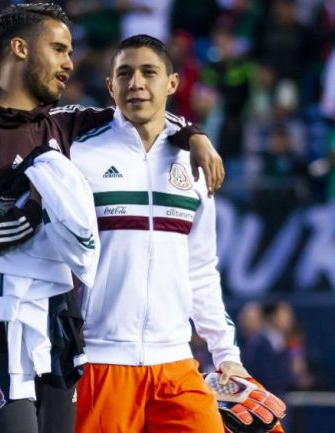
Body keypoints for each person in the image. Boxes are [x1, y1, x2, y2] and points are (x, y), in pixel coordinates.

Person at [0, 4, 223, 433]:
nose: (70, 62)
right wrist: (29, 216)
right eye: (59, 49)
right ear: (20, 49)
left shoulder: (62, 123)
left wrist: (194, 136)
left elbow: (141, 112)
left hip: (59, 333)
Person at [70, 34, 247, 433]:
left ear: (172, 83)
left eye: (149, 72)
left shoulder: (196, 164)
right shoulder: (80, 156)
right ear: (110, 86)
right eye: (125, 74)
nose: (136, 83)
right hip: (101, 361)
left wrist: (225, 354)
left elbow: (201, 269)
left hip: (176, 362)